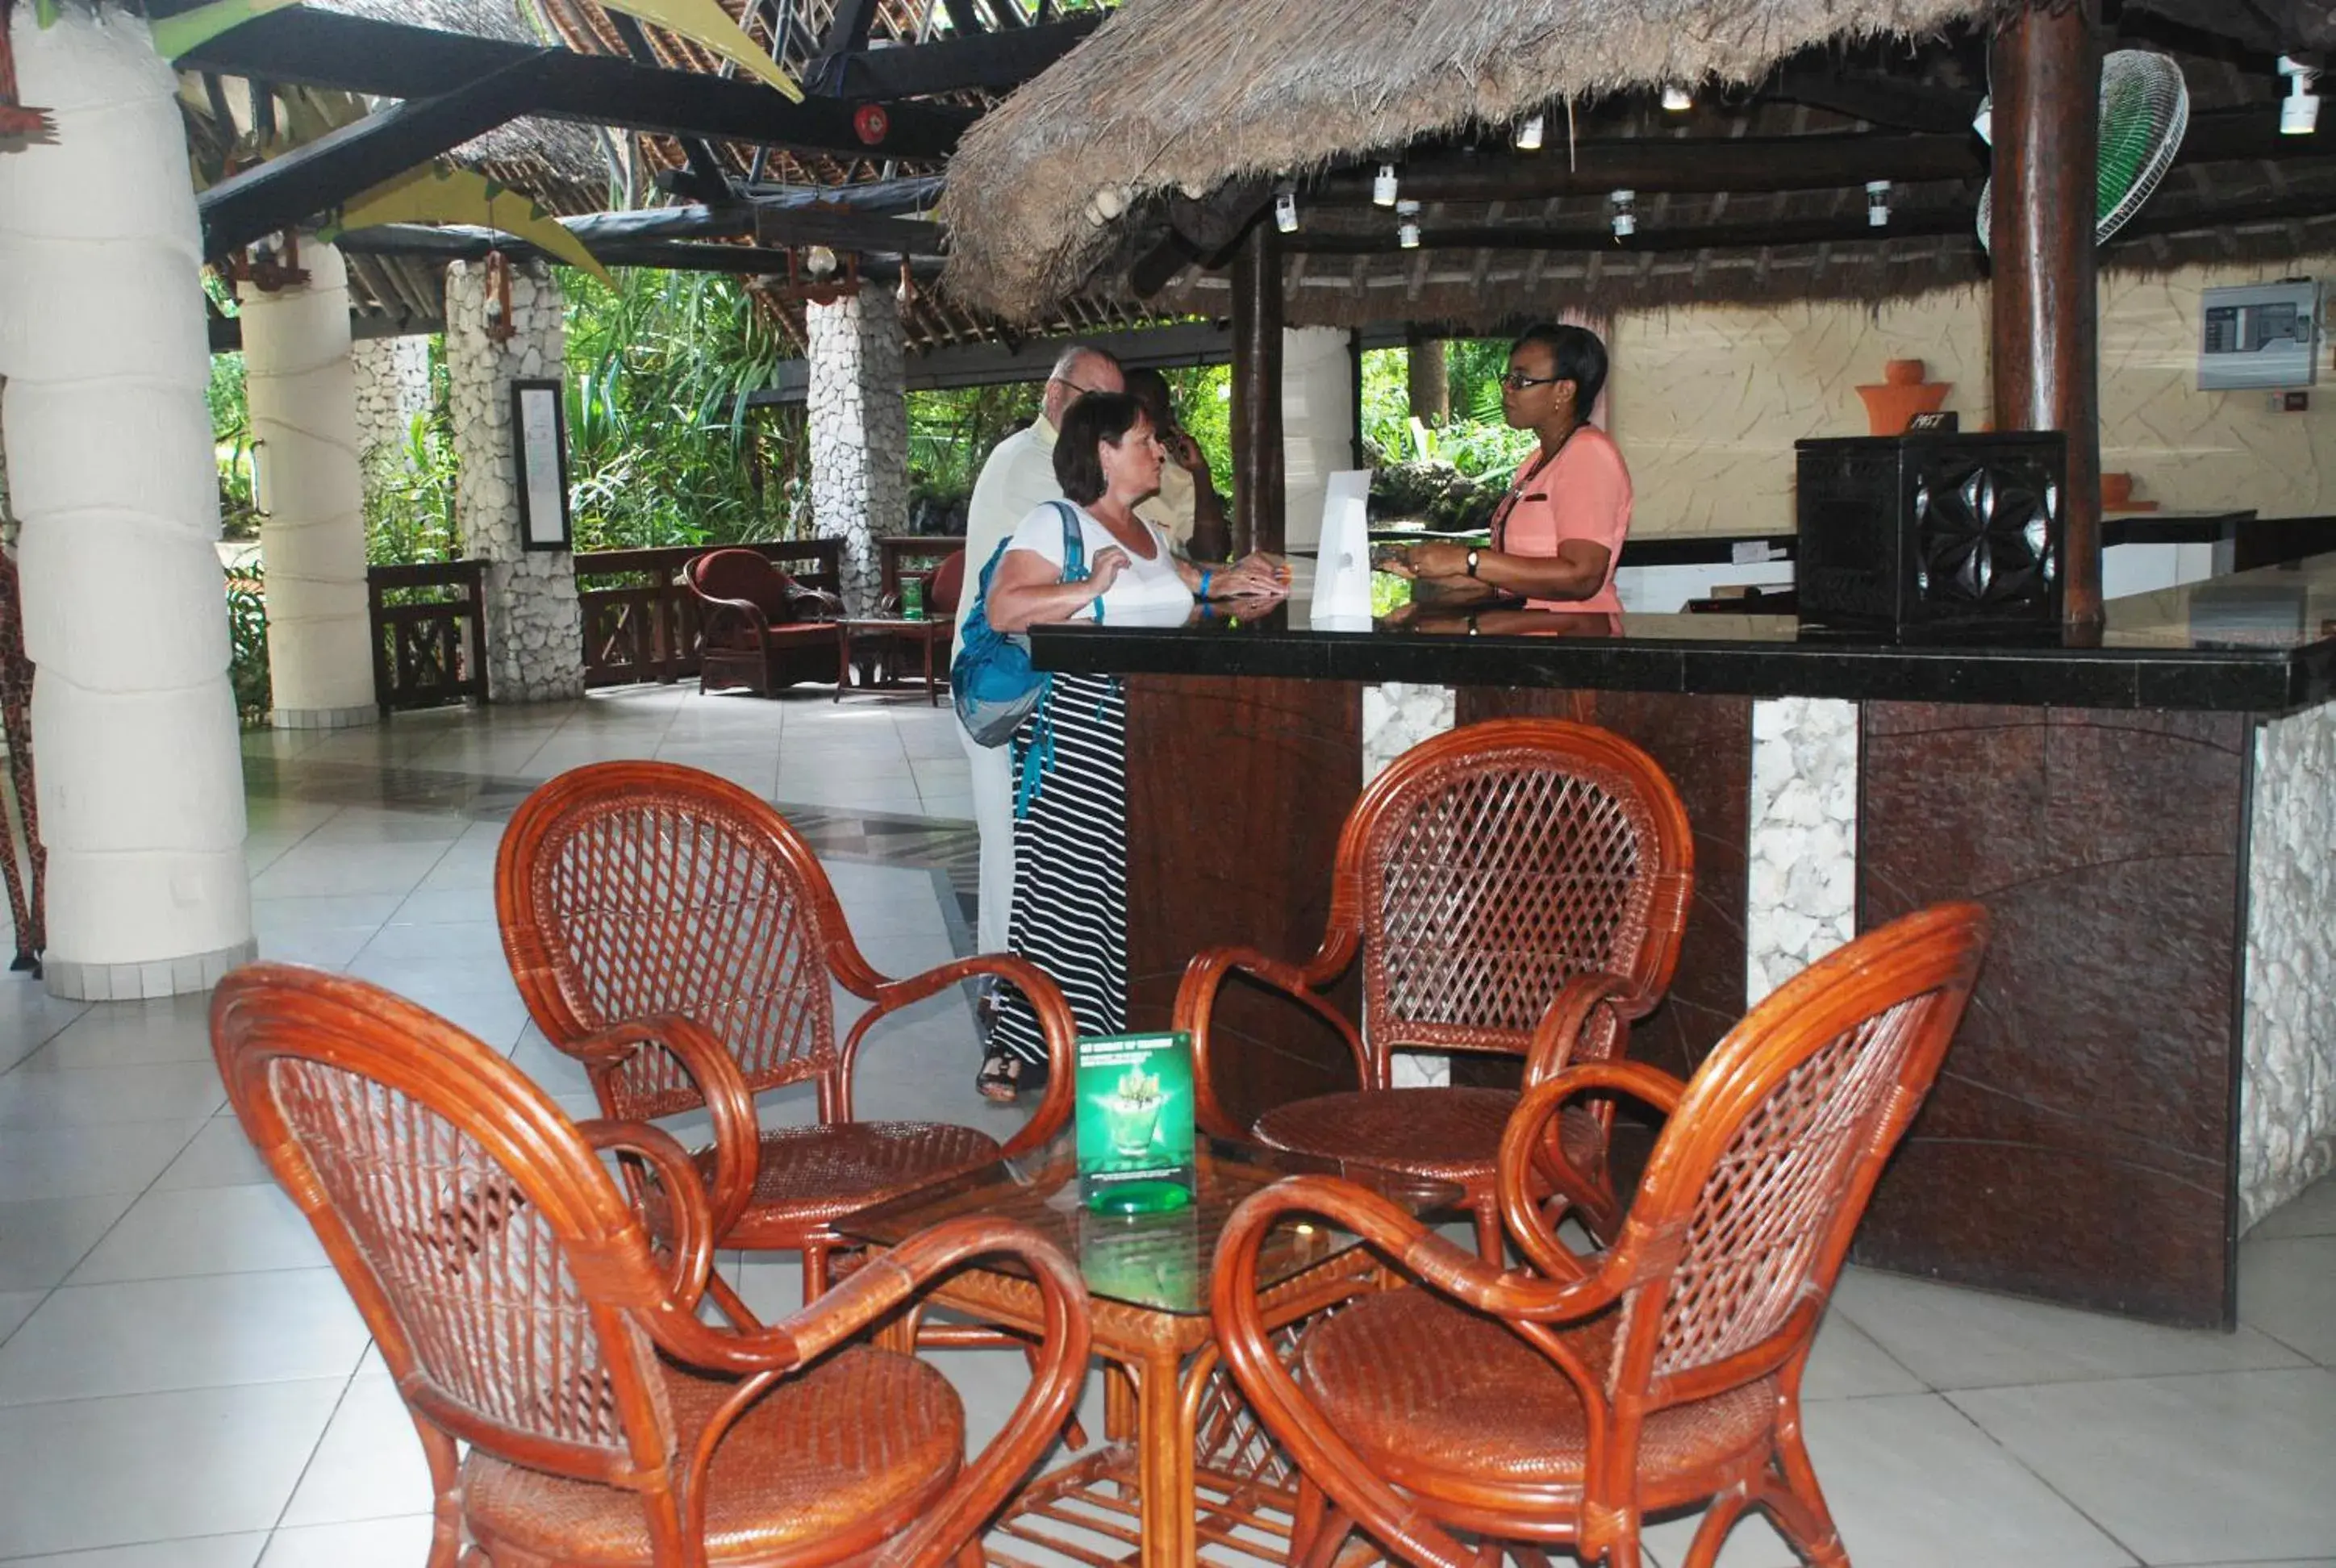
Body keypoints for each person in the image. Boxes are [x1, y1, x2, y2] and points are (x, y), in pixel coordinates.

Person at [974, 391, 1287, 1100]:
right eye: (1144, 440)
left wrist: (1234, 583)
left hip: (1151, 743)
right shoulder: (1055, 524)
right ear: (1104, 452)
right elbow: (1004, 607)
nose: (1158, 452)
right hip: (1081, 738)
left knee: (1128, 898)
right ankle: (1028, 1040)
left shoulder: (1143, 530)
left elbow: (1183, 588)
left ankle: (1117, 1041)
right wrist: (1086, 585)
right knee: (1067, 895)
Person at [955, 344, 1124, 967]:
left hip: (1035, 679)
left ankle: (1028, 985)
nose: (1108, 418)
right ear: (1055, 397)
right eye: (1096, 403)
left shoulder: (1056, 462)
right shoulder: (1031, 464)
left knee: (1028, 843)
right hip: (1003, 683)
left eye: (1116, 407)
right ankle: (1007, 992)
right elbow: (1115, 534)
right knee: (1009, 842)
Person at [1391, 323, 1631, 615]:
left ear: (1564, 390)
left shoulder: (1588, 455)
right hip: (1531, 636)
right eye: (1507, 378)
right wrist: (1431, 564)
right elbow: (1514, 580)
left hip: (1576, 643)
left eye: (1521, 381)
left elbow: (1581, 577)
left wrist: (1467, 560)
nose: (1506, 389)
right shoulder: (1536, 461)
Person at [1122, 366, 1231, 563]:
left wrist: (1201, 473)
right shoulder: (1094, 467)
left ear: (1167, 418)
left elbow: (1213, 555)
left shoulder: (1181, 478)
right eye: (1129, 412)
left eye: (1148, 413)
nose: (1138, 422)